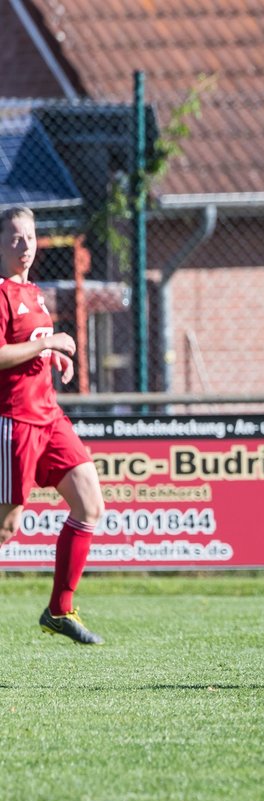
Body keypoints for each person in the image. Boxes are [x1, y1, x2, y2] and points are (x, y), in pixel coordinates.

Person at [0, 206, 105, 644]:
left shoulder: (34, 292)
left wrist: (51, 353)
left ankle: (59, 611)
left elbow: (29, 345)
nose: (26, 246)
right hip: (15, 422)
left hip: (50, 418)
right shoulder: (0, 293)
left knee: (90, 505)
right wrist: (48, 341)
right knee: (6, 529)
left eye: (31, 236)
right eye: (15, 238)